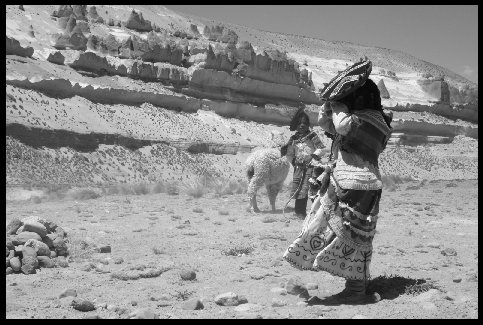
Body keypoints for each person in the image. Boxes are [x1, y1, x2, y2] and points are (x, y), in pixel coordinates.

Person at [283, 58, 393, 304]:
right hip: (369, 186)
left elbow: (340, 126)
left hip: (350, 184)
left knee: (340, 230)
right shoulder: (381, 123)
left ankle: (354, 288)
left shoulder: (362, 119)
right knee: (360, 237)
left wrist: (336, 104)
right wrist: (329, 107)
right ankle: (356, 287)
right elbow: (329, 126)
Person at [280, 108, 325, 218]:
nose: (302, 125)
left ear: (308, 125)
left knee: (310, 189)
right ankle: (299, 212)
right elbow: (289, 153)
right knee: (299, 189)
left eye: (304, 123)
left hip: (312, 167)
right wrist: (294, 162)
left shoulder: (312, 136)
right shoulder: (293, 139)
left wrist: (311, 156)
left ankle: (315, 214)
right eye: (299, 123)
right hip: (299, 168)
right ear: (296, 125)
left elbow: (321, 149)